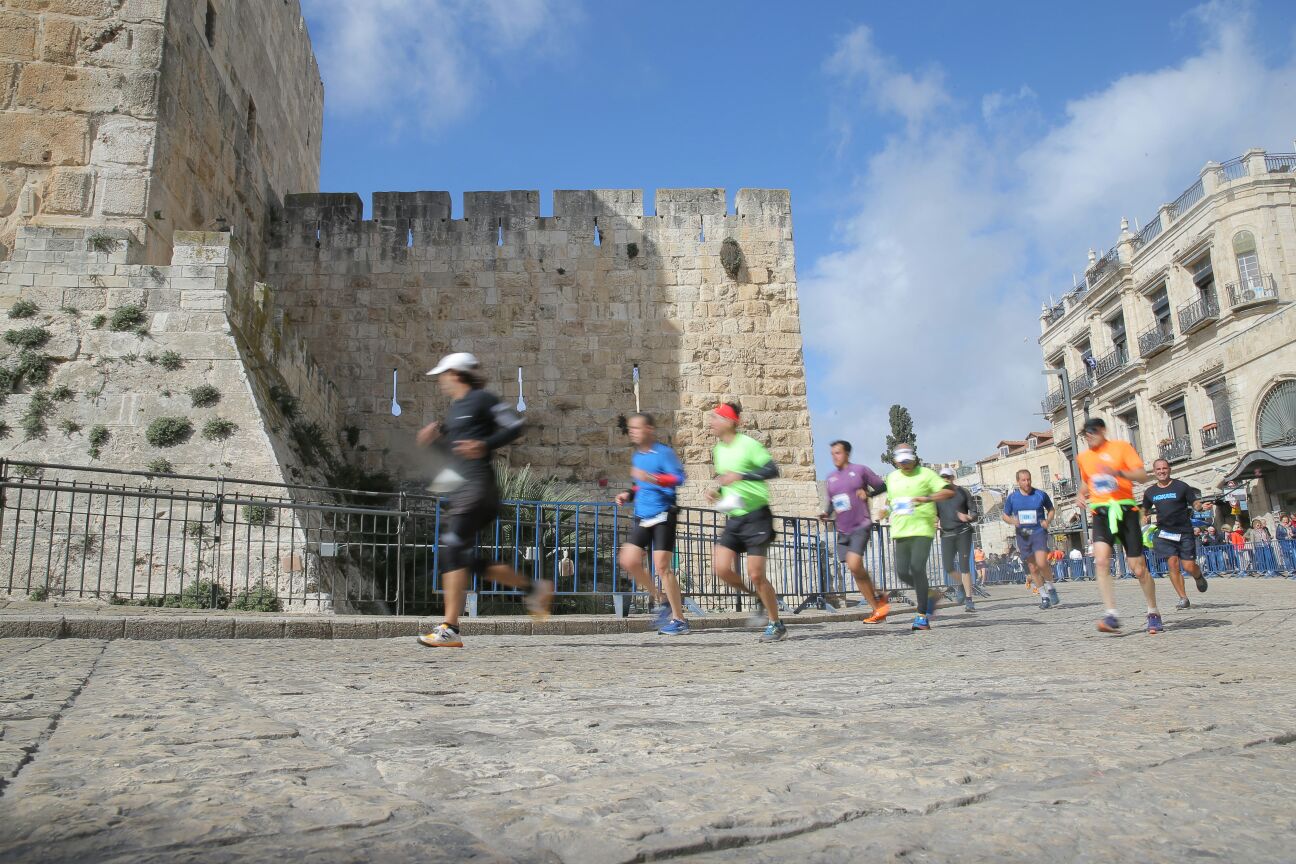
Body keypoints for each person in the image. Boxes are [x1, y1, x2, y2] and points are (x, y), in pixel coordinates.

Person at [416, 353, 550, 648]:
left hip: (480, 488)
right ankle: (533, 588)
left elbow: (516, 425)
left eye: (443, 374)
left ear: (456, 373)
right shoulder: (455, 411)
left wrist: (485, 444)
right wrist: (434, 441)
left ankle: (450, 628)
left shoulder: (483, 399)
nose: (440, 380)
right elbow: (455, 453)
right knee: (460, 556)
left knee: (453, 548)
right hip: (463, 489)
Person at [706, 403, 786, 642]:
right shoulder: (718, 450)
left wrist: (742, 475)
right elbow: (730, 479)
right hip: (735, 516)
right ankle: (757, 596)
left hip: (757, 516)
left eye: (715, 418)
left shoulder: (748, 444)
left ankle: (776, 623)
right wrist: (718, 491)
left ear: (729, 422)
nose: (710, 422)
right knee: (720, 568)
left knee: (756, 574)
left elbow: (772, 470)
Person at [1076, 418, 1161, 634]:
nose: (1089, 436)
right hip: (1101, 512)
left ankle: (1153, 611)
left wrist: (1119, 472)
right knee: (1102, 560)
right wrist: (1080, 494)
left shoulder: (1121, 448)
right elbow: (1088, 480)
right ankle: (1111, 614)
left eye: (1093, 431)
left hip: (1125, 510)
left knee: (1138, 568)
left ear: (1103, 430)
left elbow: (1142, 476)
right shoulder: (1083, 457)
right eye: (1085, 433)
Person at [615, 413, 689, 635]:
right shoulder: (638, 456)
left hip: (664, 513)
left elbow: (679, 478)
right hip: (643, 515)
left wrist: (653, 478)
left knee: (662, 566)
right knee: (628, 559)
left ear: (649, 429)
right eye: (630, 429)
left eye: (636, 428)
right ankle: (662, 599)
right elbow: (640, 485)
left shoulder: (663, 452)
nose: (632, 432)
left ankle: (680, 620)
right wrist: (628, 493)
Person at [879, 444, 955, 630]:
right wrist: (885, 510)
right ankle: (930, 594)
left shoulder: (926, 474)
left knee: (917, 567)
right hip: (900, 529)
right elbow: (892, 500)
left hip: (922, 527)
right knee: (902, 572)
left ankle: (921, 616)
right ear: (896, 460)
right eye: (901, 462)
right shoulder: (892, 477)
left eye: (908, 461)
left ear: (913, 458)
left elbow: (948, 491)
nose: (905, 465)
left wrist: (926, 499)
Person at [818, 440, 889, 623]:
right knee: (855, 569)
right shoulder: (831, 478)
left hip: (861, 524)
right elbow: (833, 502)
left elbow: (882, 486)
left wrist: (869, 494)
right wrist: (827, 513)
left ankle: (878, 601)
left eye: (838, 453)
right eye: (832, 453)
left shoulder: (860, 470)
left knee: (855, 564)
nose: (835, 456)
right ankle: (877, 607)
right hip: (843, 529)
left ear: (847, 454)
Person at [1140, 458, 1209, 610]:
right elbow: (1144, 509)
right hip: (1165, 533)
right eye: (1158, 469)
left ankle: (1198, 575)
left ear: (1169, 470)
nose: (1162, 471)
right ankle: (1183, 598)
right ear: (1154, 471)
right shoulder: (1150, 492)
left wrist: (1200, 507)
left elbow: (1194, 502)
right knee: (1172, 564)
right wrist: (1143, 517)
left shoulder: (1181, 486)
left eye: (1164, 468)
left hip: (1184, 532)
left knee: (1189, 566)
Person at [1002, 469, 1060, 609]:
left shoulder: (1040, 494)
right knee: (1032, 568)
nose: (1027, 483)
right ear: (1018, 482)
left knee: (1041, 562)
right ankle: (1044, 597)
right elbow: (1005, 515)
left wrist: (1048, 520)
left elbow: (1051, 509)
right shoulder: (1012, 498)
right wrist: (1012, 521)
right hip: (1023, 535)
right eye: (1023, 480)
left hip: (1039, 532)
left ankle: (1051, 588)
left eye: (1028, 479)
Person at [935, 466, 978, 612]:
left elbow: (974, 512)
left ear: (953, 478)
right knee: (948, 567)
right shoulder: (937, 495)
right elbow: (934, 514)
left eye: (948, 477)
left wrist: (968, 517)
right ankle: (961, 584)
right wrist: (935, 522)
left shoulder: (963, 492)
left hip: (963, 531)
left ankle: (969, 600)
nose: (945, 480)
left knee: (964, 566)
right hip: (947, 534)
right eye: (943, 477)